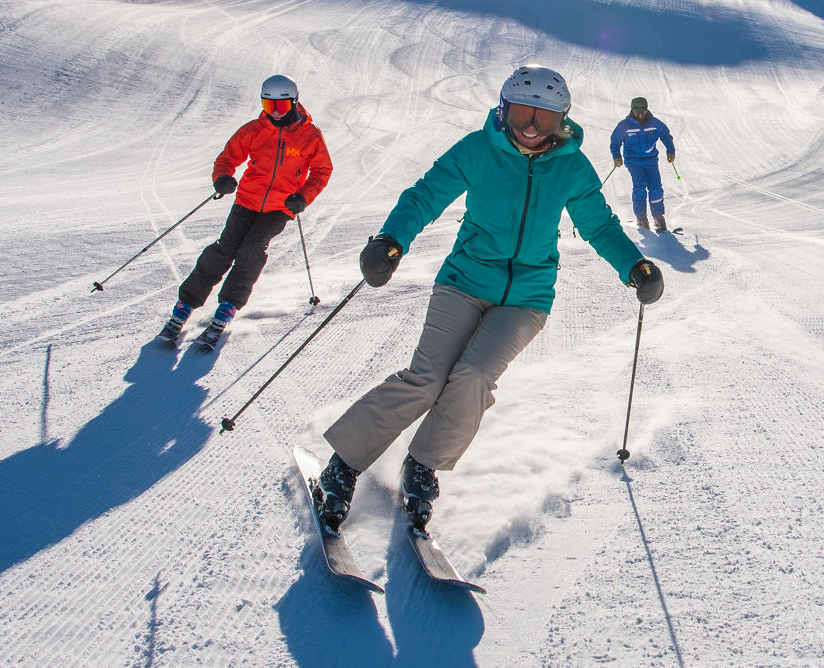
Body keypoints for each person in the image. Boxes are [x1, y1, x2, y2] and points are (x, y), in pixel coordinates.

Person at [313, 65, 664, 533]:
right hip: (464, 280)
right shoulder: (479, 149)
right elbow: (424, 196)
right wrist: (391, 240)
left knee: (474, 376)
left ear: (563, 118)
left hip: (527, 297)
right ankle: (344, 464)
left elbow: (598, 225)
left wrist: (634, 266)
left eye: (544, 115)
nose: (531, 126)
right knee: (428, 377)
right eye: (521, 112)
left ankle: (423, 465)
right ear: (504, 110)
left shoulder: (572, 166)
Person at [158, 74, 333, 347]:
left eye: (281, 107)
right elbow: (227, 157)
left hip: (279, 207)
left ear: (294, 103)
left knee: (251, 251)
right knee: (223, 249)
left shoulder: (310, 136)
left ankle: (228, 306)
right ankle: (185, 304)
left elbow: (322, 171)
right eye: (268, 105)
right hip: (246, 201)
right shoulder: (254, 129)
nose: (274, 113)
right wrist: (223, 177)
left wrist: (302, 196)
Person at [609, 97, 676, 232]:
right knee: (639, 187)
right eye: (636, 110)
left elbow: (666, 135)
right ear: (632, 109)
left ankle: (658, 217)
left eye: (643, 110)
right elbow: (615, 141)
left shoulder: (655, 123)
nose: (640, 113)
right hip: (633, 161)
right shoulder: (625, 125)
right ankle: (641, 217)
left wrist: (671, 150)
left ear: (647, 109)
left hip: (651, 160)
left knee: (656, 187)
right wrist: (617, 156)